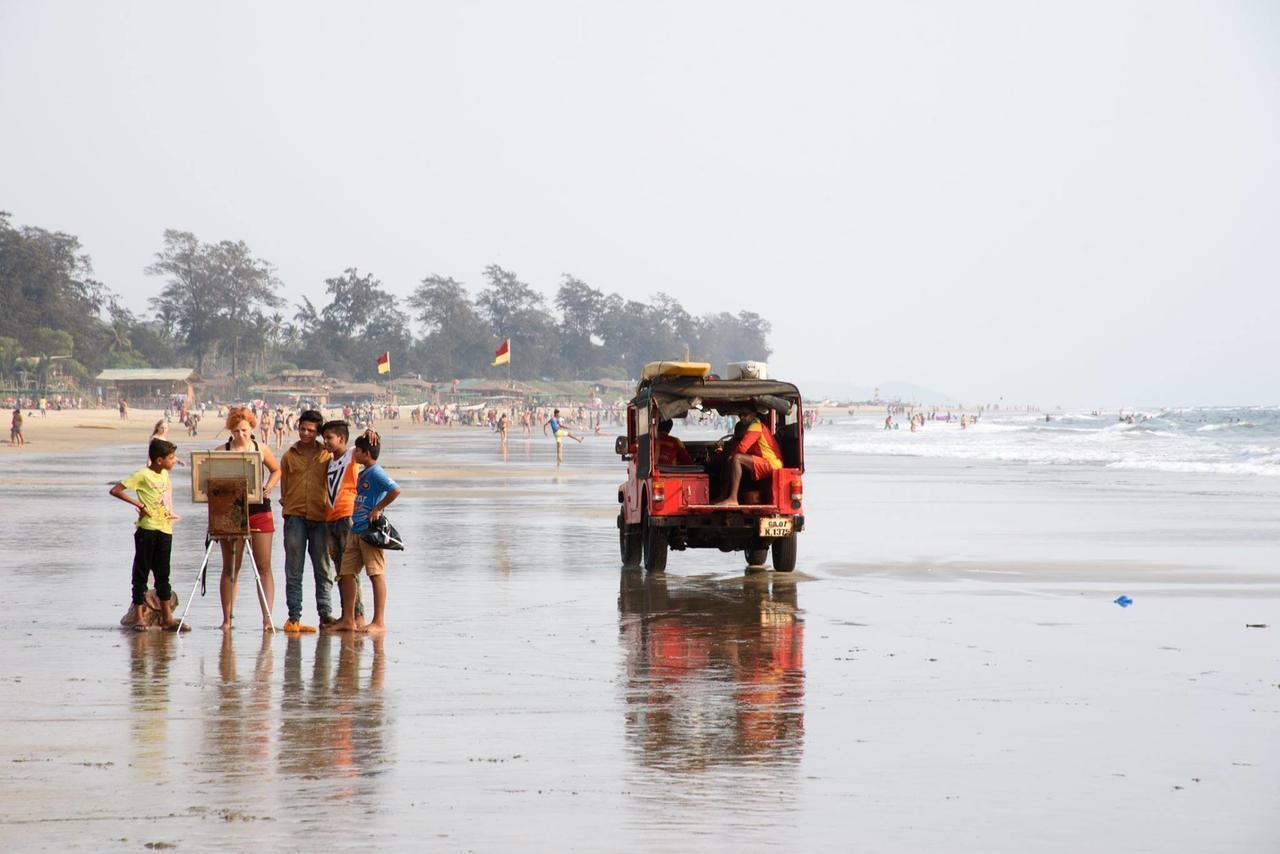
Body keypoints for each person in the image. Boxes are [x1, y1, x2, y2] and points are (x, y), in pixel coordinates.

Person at [215, 406, 282, 631]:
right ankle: (227, 619)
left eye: (244, 430)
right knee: (231, 567)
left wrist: (268, 488)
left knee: (263, 566)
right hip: (229, 510)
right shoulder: (221, 451)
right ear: (230, 430)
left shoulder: (260, 448)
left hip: (259, 509)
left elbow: (277, 470)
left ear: (251, 427)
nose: (240, 435)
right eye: (236, 431)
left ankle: (266, 618)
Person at [328, 434, 400, 634]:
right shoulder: (363, 471)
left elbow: (395, 490)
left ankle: (379, 621)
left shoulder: (376, 472)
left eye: (358, 451)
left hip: (369, 530)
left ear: (366, 453)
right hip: (355, 528)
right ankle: (348, 619)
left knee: (375, 574)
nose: (355, 454)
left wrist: (377, 508)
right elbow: (352, 448)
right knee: (347, 573)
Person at [109, 438, 182, 631]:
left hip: (165, 529)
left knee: (163, 574)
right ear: (159, 460)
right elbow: (116, 490)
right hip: (147, 529)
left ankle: (167, 617)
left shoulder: (165, 475)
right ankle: (138, 618)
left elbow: (165, 499)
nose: (174, 460)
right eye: (171, 458)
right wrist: (138, 504)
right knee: (141, 573)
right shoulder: (143, 474)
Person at [279, 409, 334, 633]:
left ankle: (325, 616)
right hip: (295, 517)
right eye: (303, 428)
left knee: (322, 568)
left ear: (318, 432)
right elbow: (284, 489)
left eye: (311, 430)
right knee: (293, 570)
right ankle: (294, 618)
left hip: (321, 517)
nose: (306, 433)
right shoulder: (289, 456)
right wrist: (289, 509)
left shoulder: (327, 455)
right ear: (298, 427)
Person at [320, 420, 370, 630]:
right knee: (340, 569)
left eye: (329, 438)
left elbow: (367, 443)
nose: (326, 442)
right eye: (324, 438)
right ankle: (346, 615)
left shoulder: (351, 455)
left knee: (350, 568)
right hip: (331, 518)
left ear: (341, 438)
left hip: (347, 515)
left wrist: (370, 432)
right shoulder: (330, 461)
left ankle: (357, 616)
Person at [714, 408, 783, 506]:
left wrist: (730, 457)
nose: (742, 417)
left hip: (771, 463)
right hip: (765, 462)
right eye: (740, 415)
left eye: (745, 414)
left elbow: (742, 448)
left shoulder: (756, 426)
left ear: (754, 414)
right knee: (730, 460)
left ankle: (733, 498)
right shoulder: (751, 428)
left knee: (736, 458)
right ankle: (723, 497)